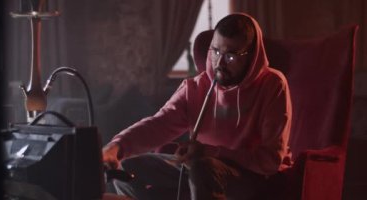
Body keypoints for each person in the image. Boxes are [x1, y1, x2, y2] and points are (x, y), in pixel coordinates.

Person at [102, 12, 292, 200]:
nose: (220, 63)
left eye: (231, 57)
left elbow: (270, 161)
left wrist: (210, 152)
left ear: (252, 57)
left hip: (251, 176)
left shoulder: (272, 85)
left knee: (203, 167)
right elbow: (158, 124)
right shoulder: (197, 87)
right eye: (216, 51)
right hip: (200, 167)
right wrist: (116, 147)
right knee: (125, 167)